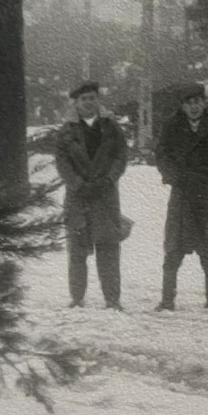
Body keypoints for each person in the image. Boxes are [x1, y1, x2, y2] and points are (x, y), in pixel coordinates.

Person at [154, 82, 208, 311]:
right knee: (174, 246)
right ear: (182, 106)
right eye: (189, 103)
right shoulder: (171, 125)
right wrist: (172, 176)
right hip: (181, 193)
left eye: (197, 102)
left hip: (206, 193)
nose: (194, 107)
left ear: (203, 102)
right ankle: (167, 299)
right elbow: (162, 154)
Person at [54, 81, 129, 310]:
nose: (89, 103)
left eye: (93, 98)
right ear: (76, 103)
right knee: (77, 251)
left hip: (105, 197)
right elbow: (62, 161)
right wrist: (77, 184)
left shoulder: (111, 127)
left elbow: (121, 155)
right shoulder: (66, 130)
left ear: (99, 101)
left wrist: (108, 179)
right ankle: (77, 298)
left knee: (108, 249)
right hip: (78, 198)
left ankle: (112, 299)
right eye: (84, 99)